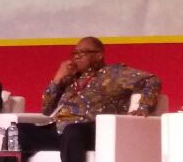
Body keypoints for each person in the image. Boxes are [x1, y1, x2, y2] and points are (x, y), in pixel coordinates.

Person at [17, 37, 160, 162]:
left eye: (83, 53)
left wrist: (144, 107)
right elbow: (47, 110)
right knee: (17, 131)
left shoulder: (114, 73)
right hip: (61, 130)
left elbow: (152, 80)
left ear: (99, 55)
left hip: (92, 129)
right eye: (75, 53)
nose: (77, 57)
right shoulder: (70, 78)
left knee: (72, 132)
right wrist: (57, 79)